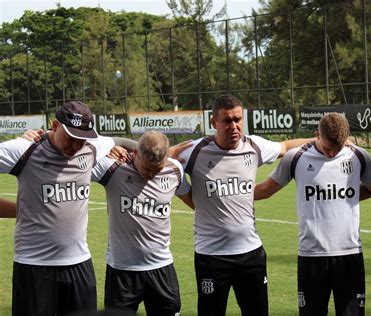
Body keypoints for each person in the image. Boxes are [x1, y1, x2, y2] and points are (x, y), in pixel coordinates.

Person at [178, 94, 311, 316]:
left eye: (238, 119)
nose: (234, 126)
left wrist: (323, 141)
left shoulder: (253, 145)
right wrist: (171, 153)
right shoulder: (194, 151)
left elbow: (286, 146)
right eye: (227, 121)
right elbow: (153, 157)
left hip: (251, 255)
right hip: (211, 257)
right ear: (214, 123)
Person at [254, 112, 371, 316]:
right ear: (316, 135)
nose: (332, 155)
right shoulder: (295, 158)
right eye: (328, 149)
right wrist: (231, 194)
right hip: (311, 256)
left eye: (337, 149)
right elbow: (265, 190)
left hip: (350, 255)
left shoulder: (358, 156)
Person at [0, 101, 115, 315]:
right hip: (33, 267)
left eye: (82, 140)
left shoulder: (93, 147)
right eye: (71, 138)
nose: (76, 146)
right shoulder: (24, 149)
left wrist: (122, 148)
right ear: (54, 126)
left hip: (80, 265)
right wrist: (21, 209)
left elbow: (113, 141)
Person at [91, 130, 194, 315]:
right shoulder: (112, 167)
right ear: (135, 154)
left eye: (157, 170)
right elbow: (75, 158)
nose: (151, 175)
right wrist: (110, 146)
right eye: (147, 169)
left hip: (161, 268)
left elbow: (196, 203)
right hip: (122, 270)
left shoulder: (175, 170)